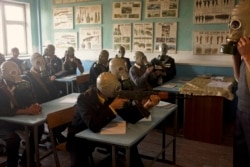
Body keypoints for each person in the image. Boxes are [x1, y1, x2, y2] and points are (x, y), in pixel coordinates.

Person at [66, 72, 160, 167]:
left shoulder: (110, 95)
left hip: (103, 134)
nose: (117, 90)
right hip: (80, 139)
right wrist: (111, 108)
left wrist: (146, 106)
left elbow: (128, 115)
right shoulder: (84, 98)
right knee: (78, 164)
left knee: (130, 146)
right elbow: (93, 125)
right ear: (104, 88)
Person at [0, 61, 43, 167]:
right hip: (2, 123)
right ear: (2, 72)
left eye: (15, 68)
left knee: (39, 127)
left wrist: (35, 106)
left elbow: (32, 100)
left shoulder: (23, 82)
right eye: (6, 70)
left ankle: (26, 159)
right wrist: (25, 111)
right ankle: (12, 164)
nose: (12, 72)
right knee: (13, 139)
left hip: (17, 119)